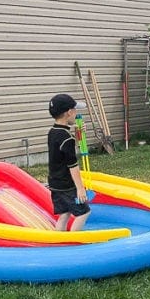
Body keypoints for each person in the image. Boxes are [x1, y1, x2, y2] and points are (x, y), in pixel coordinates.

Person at [47, 93, 90, 231]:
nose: (76, 113)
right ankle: (73, 245)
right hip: (67, 185)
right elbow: (73, 165)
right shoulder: (66, 137)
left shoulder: (53, 132)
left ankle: (60, 244)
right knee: (84, 212)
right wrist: (80, 188)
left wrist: (77, 135)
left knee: (65, 214)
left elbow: (64, 151)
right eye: (75, 110)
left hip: (55, 183)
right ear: (69, 112)